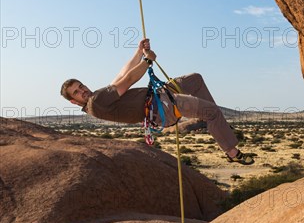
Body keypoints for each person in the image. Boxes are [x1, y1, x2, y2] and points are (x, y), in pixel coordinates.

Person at [60, 39, 254, 165]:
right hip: (163, 107)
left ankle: (210, 123)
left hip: (160, 95)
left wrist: (138, 53)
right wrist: (147, 61)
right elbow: (128, 80)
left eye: (81, 86)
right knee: (212, 111)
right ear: (73, 101)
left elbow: (120, 75)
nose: (83, 91)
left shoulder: (98, 99)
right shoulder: (96, 101)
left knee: (194, 79)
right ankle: (231, 152)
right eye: (77, 92)